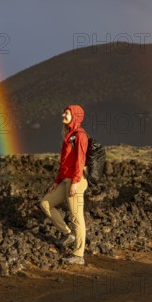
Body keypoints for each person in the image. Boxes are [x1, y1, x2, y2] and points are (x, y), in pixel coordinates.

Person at [40, 104, 89, 265]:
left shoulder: (80, 136)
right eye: (63, 113)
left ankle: (79, 254)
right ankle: (68, 234)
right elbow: (65, 163)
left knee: (76, 218)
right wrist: (56, 182)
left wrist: (75, 182)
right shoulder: (69, 135)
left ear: (74, 115)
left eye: (66, 114)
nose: (63, 116)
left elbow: (80, 162)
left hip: (76, 181)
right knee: (45, 203)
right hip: (66, 180)